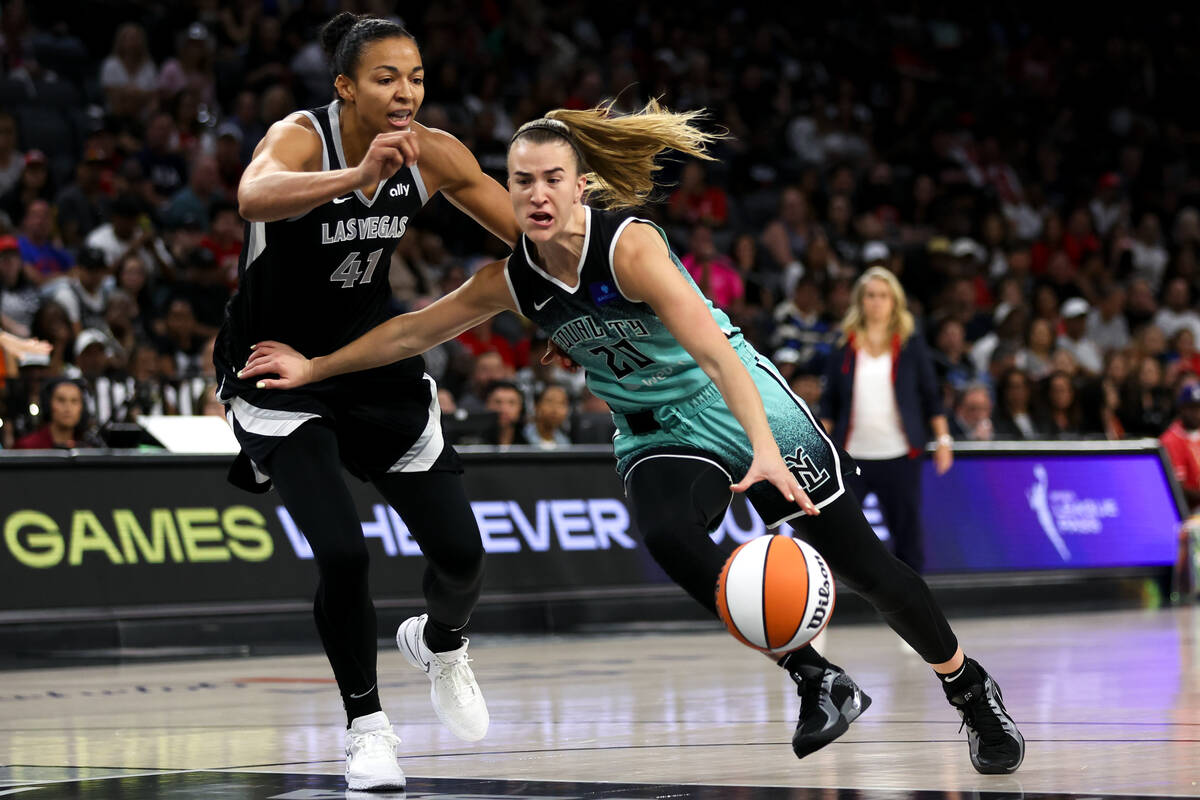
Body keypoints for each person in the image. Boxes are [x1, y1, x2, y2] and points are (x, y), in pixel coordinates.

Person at [239, 101, 1025, 775]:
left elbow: (719, 353)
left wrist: (760, 448)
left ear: (581, 185)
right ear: (506, 191)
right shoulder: (512, 280)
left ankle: (968, 687)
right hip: (654, 430)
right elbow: (408, 331)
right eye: (522, 181)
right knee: (668, 533)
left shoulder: (630, 247)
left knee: (870, 571)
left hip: (741, 407)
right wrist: (316, 367)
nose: (538, 194)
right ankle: (817, 677)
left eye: (553, 179)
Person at [213, 13, 519, 792]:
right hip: (276, 367)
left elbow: (524, 237)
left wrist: (561, 298)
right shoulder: (304, 138)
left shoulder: (436, 154)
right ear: (346, 87)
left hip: (369, 363)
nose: (405, 92)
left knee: (461, 557)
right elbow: (253, 196)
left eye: (415, 76)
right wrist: (357, 177)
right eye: (386, 78)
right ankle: (368, 729)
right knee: (345, 553)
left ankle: (442, 643)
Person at [820, 267, 953, 574]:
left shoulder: (910, 344)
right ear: (859, 301)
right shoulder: (843, 345)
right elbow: (829, 404)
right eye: (870, 295)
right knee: (840, 531)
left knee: (907, 534)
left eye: (883, 296)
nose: (877, 302)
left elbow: (931, 395)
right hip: (852, 457)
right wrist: (818, 445)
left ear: (895, 301)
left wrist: (944, 440)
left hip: (900, 455)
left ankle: (914, 602)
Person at [1160, 383, 1200, 511]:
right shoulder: (1169, 440)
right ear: (1181, 408)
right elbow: (1176, 488)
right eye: (1192, 408)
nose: (1197, 413)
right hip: (1186, 512)